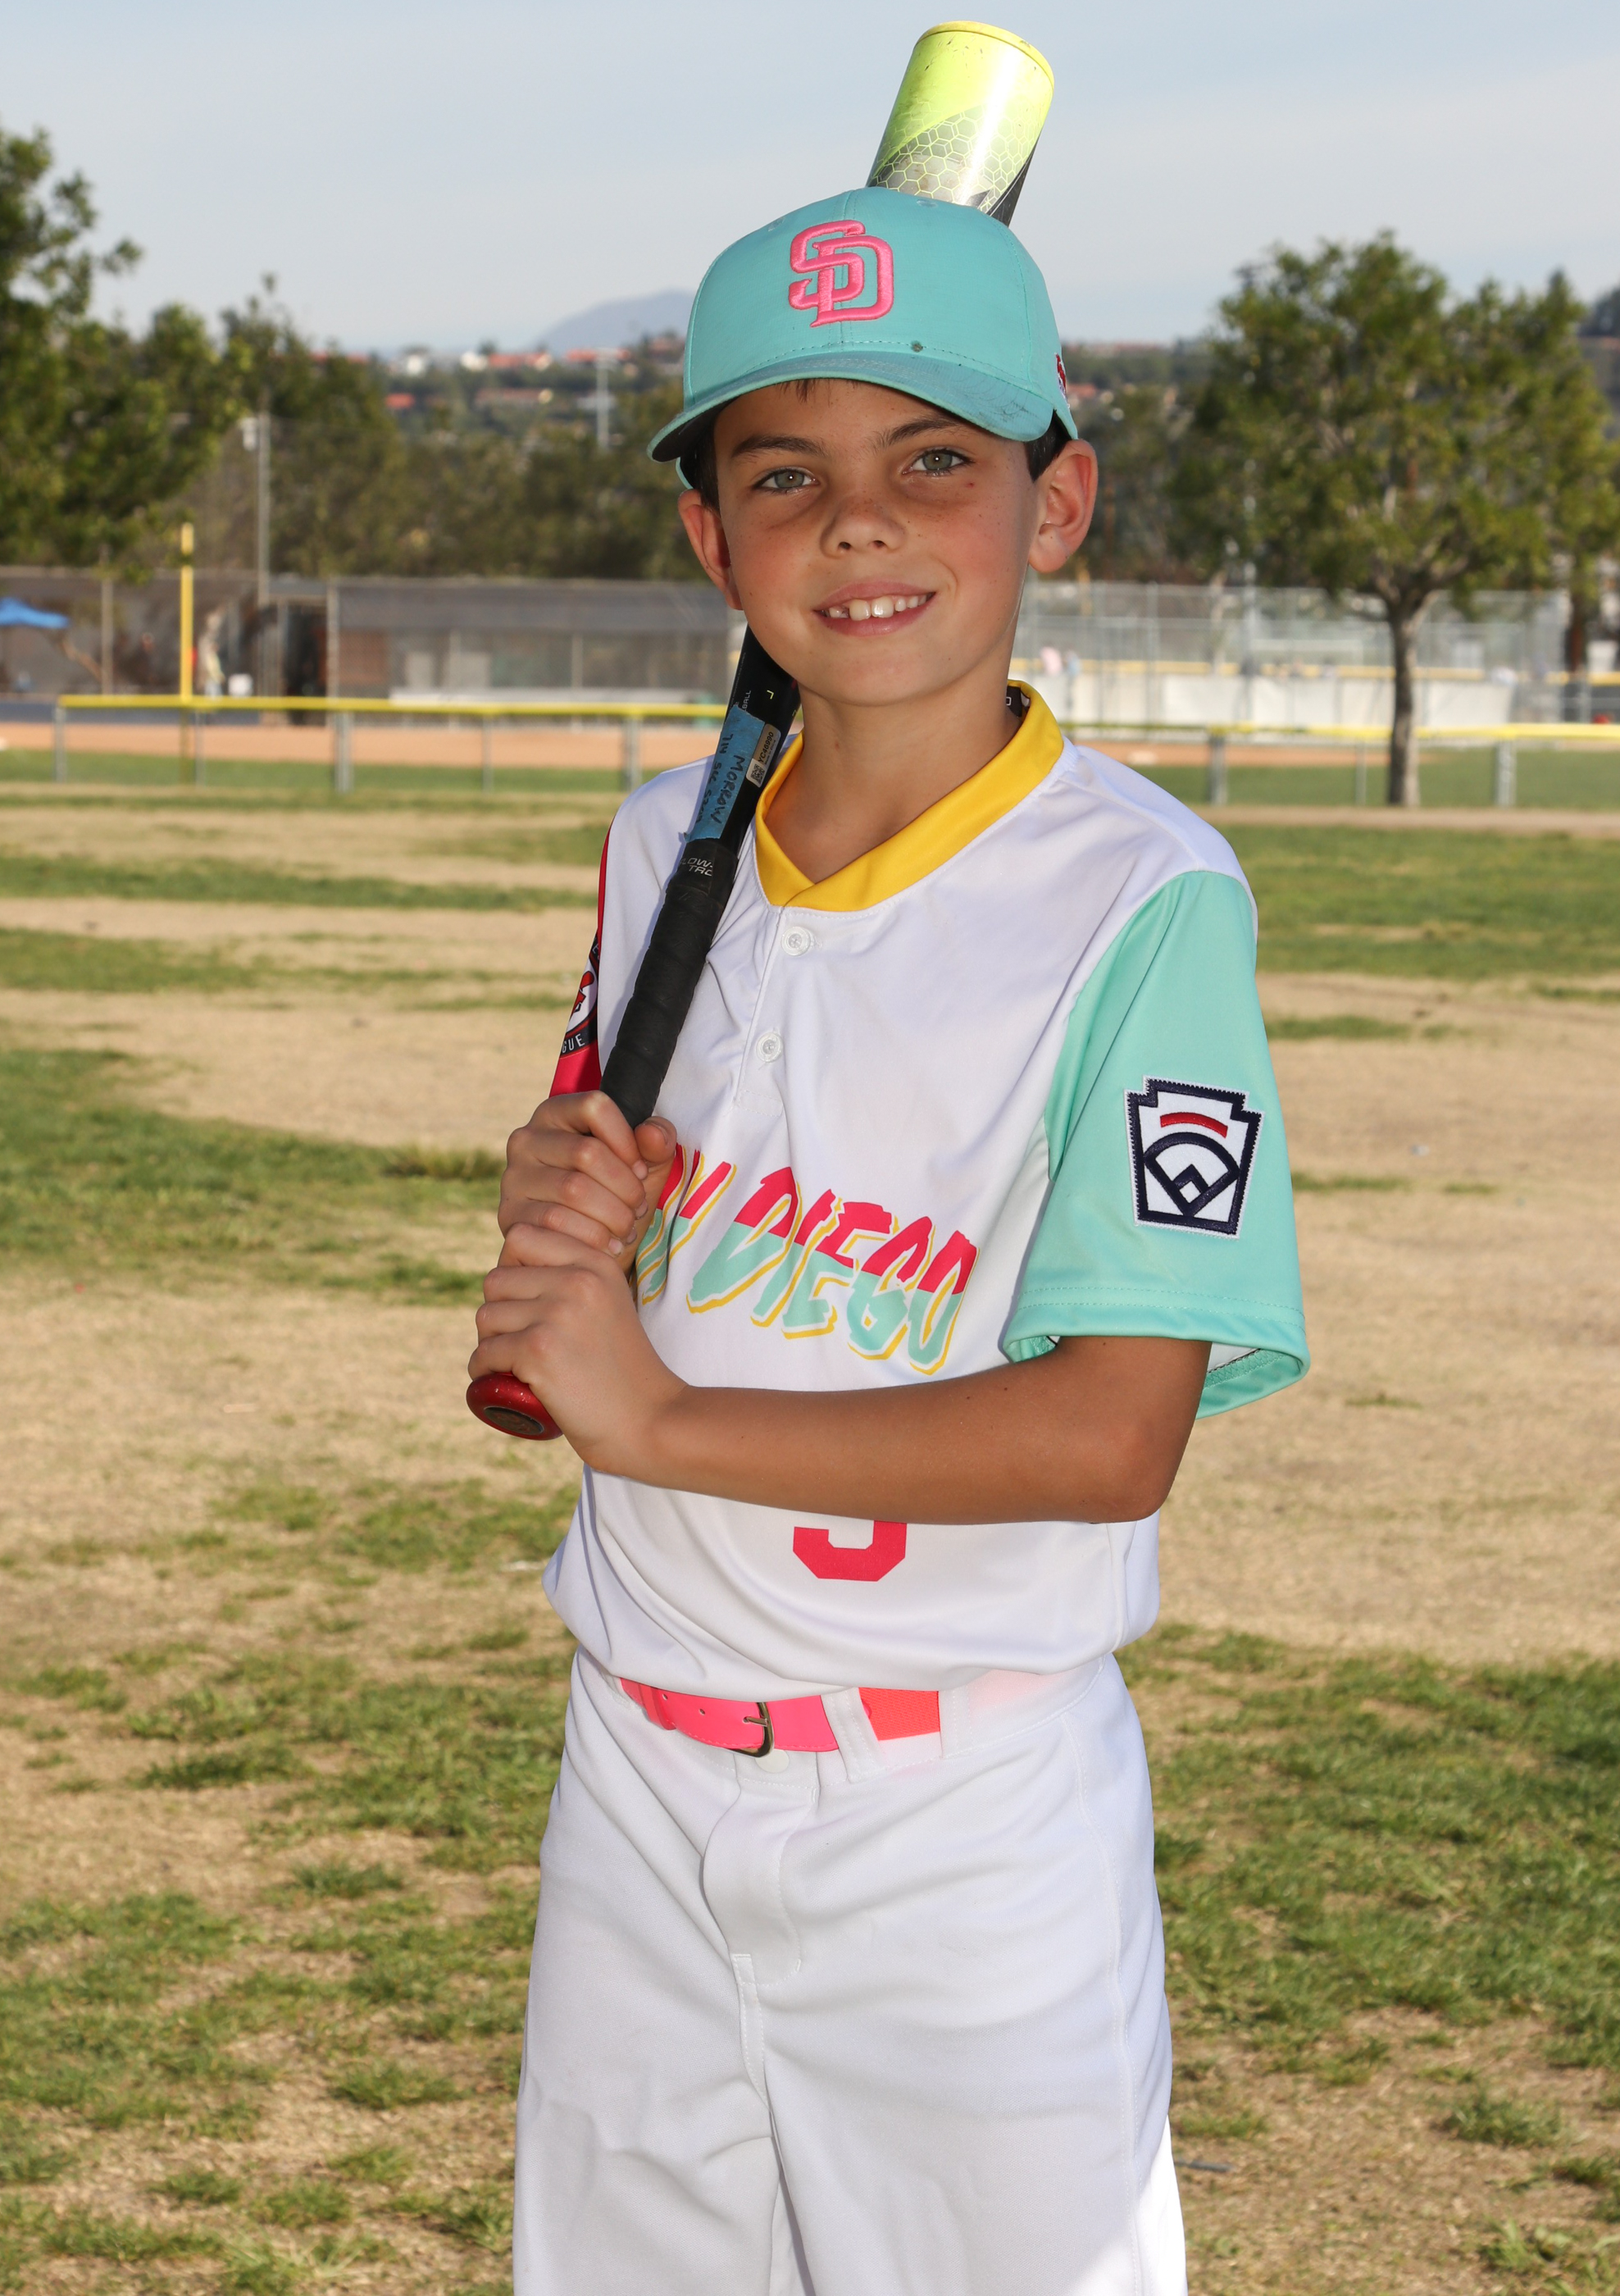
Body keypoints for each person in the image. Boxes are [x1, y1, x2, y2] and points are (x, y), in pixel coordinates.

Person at [471, 184, 1308, 2296]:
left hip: (959, 1812)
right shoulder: (661, 843)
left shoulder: (1141, 898)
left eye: (934, 460)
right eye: (785, 476)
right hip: (637, 1767)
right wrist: (571, 1212)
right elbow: (640, 1214)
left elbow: (1111, 1433)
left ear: (1058, 502)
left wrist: (655, 1416)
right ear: (709, 539)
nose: (858, 523)